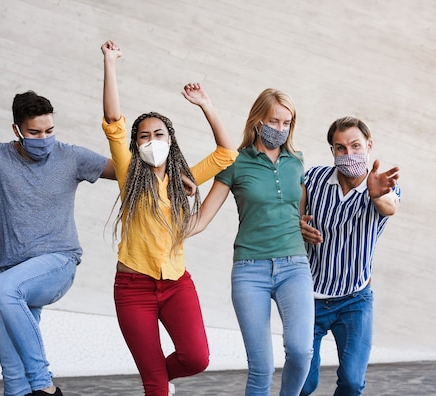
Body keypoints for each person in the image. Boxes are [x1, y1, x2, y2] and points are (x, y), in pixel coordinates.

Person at [0, 89, 115, 396]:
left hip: (58, 263)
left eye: (49, 130)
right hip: (15, 271)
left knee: (3, 288)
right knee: (13, 380)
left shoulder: (71, 156)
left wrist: (176, 174)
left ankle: (45, 386)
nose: (44, 138)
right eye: (34, 132)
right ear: (17, 130)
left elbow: (127, 171)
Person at [100, 40, 238, 396]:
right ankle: (156, 382)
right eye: (144, 136)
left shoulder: (183, 179)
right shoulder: (128, 173)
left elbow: (226, 154)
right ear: (136, 144)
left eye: (158, 134)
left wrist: (206, 106)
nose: (151, 140)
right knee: (155, 385)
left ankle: (157, 379)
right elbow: (114, 122)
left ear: (170, 141)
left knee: (196, 358)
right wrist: (110, 63)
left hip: (176, 283)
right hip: (133, 288)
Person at [189, 88, 315, 396]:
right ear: (258, 120)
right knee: (262, 368)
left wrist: (302, 225)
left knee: (301, 351)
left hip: (293, 266)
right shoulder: (235, 163)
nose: (281, 129)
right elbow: (202, 219)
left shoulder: (296, 162)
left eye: (287, 123)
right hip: (250, 270)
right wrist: (162, 230)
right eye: (275, 121)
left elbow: (297, 213)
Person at [299, 116, 401, 396]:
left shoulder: (382, 186)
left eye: (355, 146)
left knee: (352, 382)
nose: (348, 154)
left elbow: (389, 206)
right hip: (309, 298)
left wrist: (377, 193)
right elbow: (292, 214)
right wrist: (297, 226)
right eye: (340, 148)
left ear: (369, 145)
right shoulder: (313, 178)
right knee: (303, 383)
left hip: (355, 300)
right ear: (332, 150)